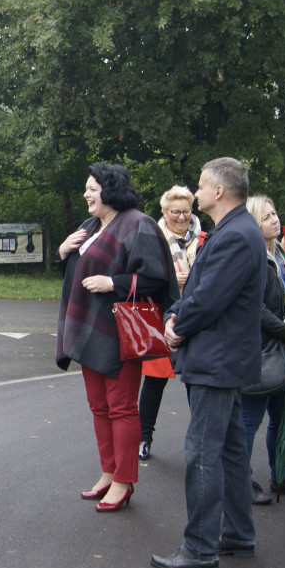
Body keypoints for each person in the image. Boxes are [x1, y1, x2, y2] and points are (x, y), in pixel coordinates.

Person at [151, 157, 266, 568]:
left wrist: (178, 327)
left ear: (219, 191)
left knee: (201, 453)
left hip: (216, 361)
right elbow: (199, 288)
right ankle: (238, 533)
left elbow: (209, 298)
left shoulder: (236, 234)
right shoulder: (232, 230)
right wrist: (176, 313)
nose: (195, 194)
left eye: (201, 186)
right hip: (223, 360)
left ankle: (200, 548)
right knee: (233, 451)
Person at [55, 163, 178, 512]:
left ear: (110, 189)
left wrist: (115, 284)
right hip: (88, 329)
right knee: (99, 407)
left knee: (122, 407)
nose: (86, 194)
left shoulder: (139, 224)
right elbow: (76, 271)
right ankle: (108, 472)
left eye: (92, 188)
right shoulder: (90, 226)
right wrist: (62, 253)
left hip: (119, 332)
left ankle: (124, 481)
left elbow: (157, 278)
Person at [240, 195, 285, 505]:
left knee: (284, 416)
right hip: (261, 351)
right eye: (267, 216)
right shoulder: (252, 257)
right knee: (249, 420)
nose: (275, 220)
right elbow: (255, 309)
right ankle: (240, 481)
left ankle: (280, 474)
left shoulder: (280, 252)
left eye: (275, 213)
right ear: (255, 223)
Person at [138, 185, 201, 459]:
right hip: (159, 317)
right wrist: (172, 281)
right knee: (154, 382)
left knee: (196, 383)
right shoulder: (152, 238)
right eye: (175, 211)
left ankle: (201, 441)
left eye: (186, 211)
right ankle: (143, 438)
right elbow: (140, 276)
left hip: (196, 318)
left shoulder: (206, 238)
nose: (180, 217)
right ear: (164, 212)